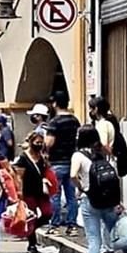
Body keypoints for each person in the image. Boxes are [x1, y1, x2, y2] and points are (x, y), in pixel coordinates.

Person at [71, 124, 127, 253]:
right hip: (108, 199)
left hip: (90, 199)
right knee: (114, 228)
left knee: (94, 238)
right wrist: (117, 201)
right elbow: (112, 177)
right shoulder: (102, 153)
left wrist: (81, 187)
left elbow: (72, 175)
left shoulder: (78, 156)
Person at [45, 91, 81, 236]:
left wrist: (44, 149)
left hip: (57, 162)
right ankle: (72, 226)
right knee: (71, 196)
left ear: (55, 104)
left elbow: (49, 142)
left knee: (55, 195)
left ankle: (54, 225)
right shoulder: (74, 120)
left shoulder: (54, 122)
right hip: (72, 162)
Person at [12, 130, 53, 253]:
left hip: (41, 191)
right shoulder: (23, 158)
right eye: (37, 142)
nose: (39, 145)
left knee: (47, 213)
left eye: (41, 143)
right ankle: (32, 244)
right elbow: (19, 177)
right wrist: (19, 192)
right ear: (31, 143)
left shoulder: (42, 157)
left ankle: (31, 229)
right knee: (31, 216)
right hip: (28, 192)